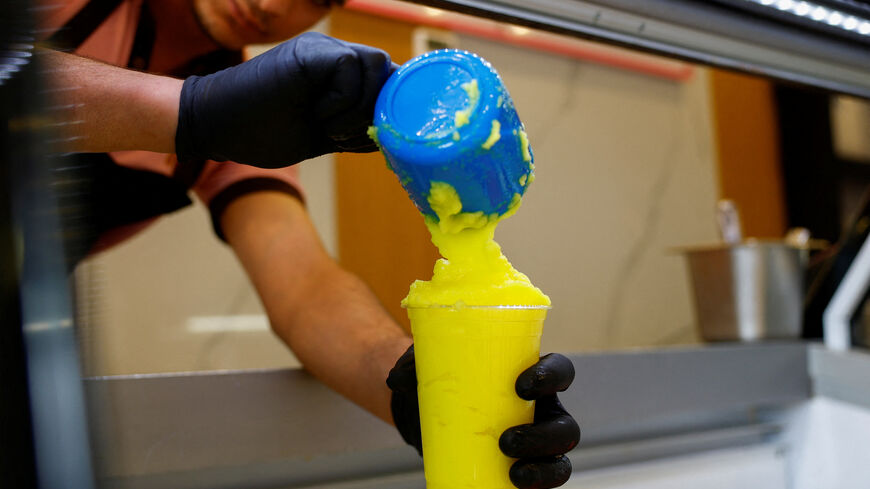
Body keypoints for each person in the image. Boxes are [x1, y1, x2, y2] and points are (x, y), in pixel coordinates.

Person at [40, 0, 580, 487]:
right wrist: (188, 110)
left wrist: (413, 386)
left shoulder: (241, 111)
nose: (271, 5)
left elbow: (302, 287)